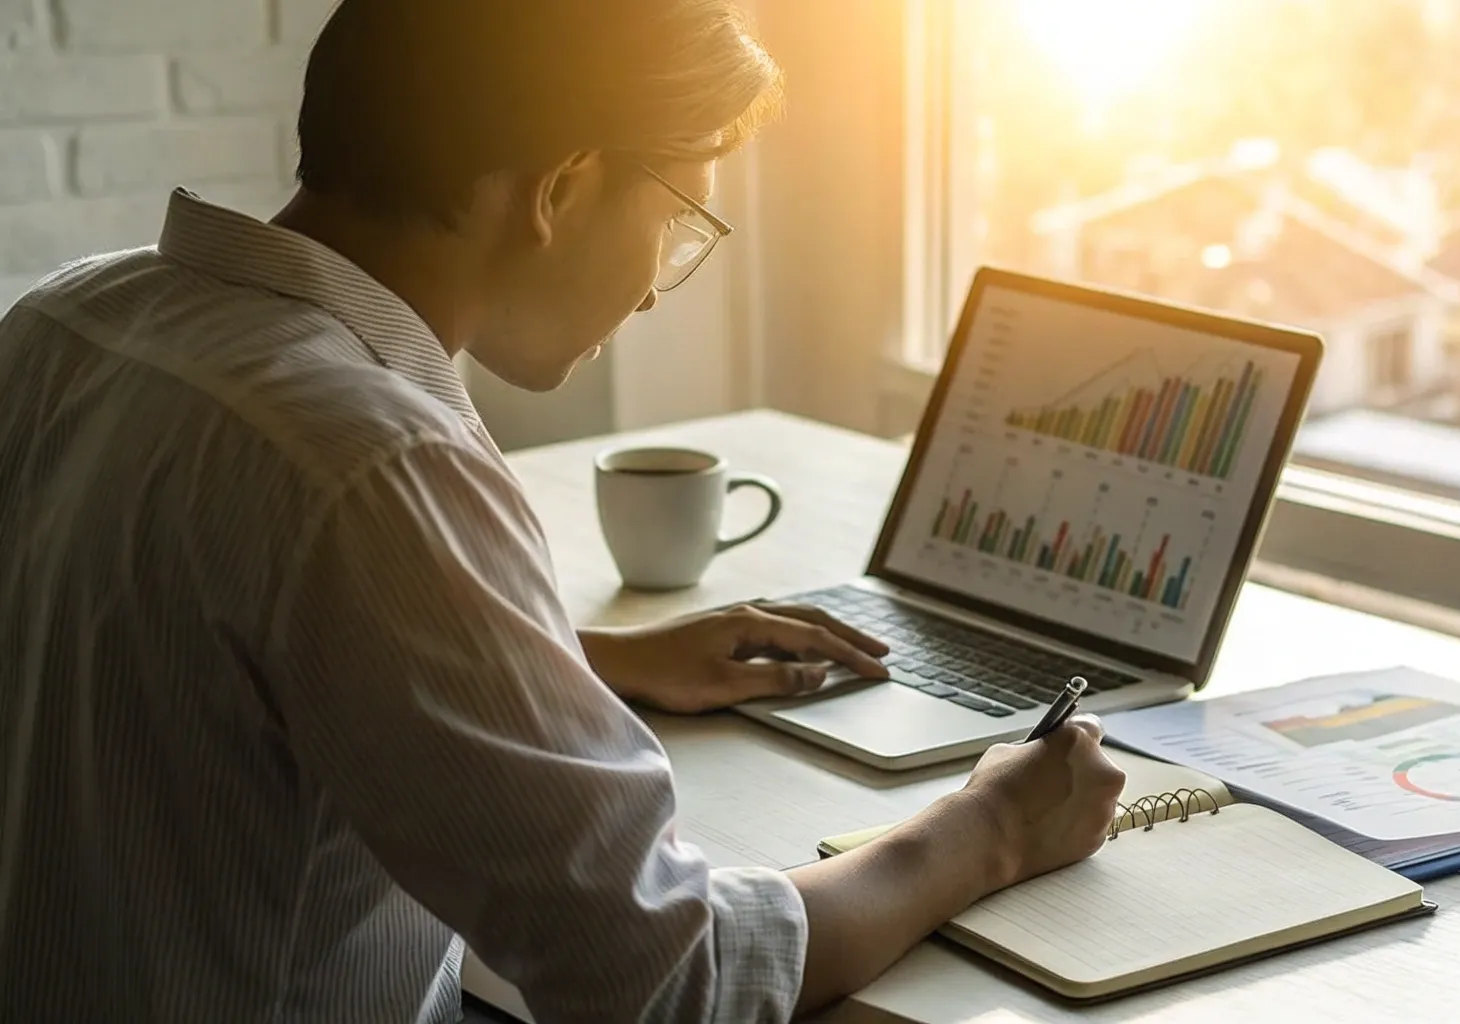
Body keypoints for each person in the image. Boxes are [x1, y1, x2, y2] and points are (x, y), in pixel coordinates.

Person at [0, 1, 1126, 1021]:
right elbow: (664, 979)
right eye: (679, 219)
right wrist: (986, 829)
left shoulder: (64, 321)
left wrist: (568, 655)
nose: (651, 285)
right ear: (561, 188)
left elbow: (167, 634)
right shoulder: (378, 463)